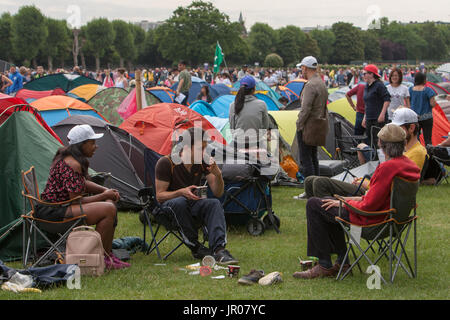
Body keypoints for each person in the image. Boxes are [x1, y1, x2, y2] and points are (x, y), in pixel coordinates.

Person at [293, 124, 420, 279]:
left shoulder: (387, 168)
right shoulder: (410, 166)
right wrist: (344, 200)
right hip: (393, 221)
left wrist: (344, 204)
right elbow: (376, 197)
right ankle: (342, 262)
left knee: (314, 204)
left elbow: (368, 206)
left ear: (383, 145)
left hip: (373, 222)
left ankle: (325, 264)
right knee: (327, 203)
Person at [38, 125, 129, 269]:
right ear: (82, 144)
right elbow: (76, 201)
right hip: (53, 214)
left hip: (58, 209)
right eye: (92, 143)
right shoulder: (72, 163)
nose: (96, 147)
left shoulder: (68, 158)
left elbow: (82, 183)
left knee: (109, 205)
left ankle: (106, 255)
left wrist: (105, 190)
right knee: (108, 209)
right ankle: (98, 257)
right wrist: (104, 195)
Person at [299, 108, 426, 201]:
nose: (395, 133)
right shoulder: (404, 152)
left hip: (371, 194)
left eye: (399, 128)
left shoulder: (416, 153)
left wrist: (364, 183)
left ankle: (324, 217)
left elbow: (391, 188)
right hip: (372, 190)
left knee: (320, 183)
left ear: (412, 128)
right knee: (311, 180)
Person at [155, 127, 238, 264]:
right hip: (170, 207)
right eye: (201, 148)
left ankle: (219, 250)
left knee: (213, 204)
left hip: (192, 203)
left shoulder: (203, 162)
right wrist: (181, 192)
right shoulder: (166, 163)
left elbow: (218, 192)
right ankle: (195, 246)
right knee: (180, 201)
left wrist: (218, 175)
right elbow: (160, 196)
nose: (204, 152)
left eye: (205, 148)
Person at [295, 56, 328, 178]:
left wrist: (299, 124)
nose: (301, 70)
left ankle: (310, 189)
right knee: (313, 157)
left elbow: (305, 109)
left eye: (302, 68)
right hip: (318, 124)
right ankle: (316, 186)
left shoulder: (310, 85)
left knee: (306, 158)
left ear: (305, 68)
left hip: (308, 125)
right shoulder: (321, 82)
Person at [229, 75, 269, 149]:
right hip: (256, 142)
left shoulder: (233, 105)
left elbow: (232, 128)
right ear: (254, 89)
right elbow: (265, 126)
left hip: (238, 142)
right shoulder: (262, 104)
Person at [361, 64, 391, 153]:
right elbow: (367, 103)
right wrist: (364, 118)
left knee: (379, 142)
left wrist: (382, 114)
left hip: (378, 119)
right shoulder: (367, 86)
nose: (363, 76)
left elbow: (387, 99)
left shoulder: (379, 85)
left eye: (365, 73)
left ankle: (381, 161)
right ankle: (374, 161)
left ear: (371, 74)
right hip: (369, 118)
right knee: (370, 141)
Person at [409, 72, 437, 146]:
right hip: (427, 117)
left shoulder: (410, 90)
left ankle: (418, 153)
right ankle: (429, 155)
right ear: (424, 80)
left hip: (414, 118)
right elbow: (432, 104)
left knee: (415, 138)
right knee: (427, 139)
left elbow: (408, 104)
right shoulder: (428, 90)